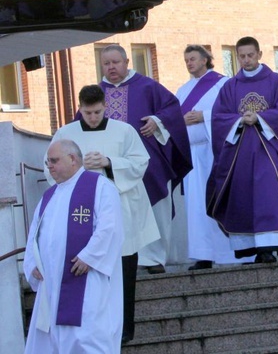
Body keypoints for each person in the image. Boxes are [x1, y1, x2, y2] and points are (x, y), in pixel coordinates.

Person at [45, 85, 158, 344]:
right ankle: (88, 330)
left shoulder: (124, 130)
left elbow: (141, 163)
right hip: (80, 213)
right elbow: (51, 166)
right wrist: (79, 166)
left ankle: (125, 330)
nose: (93, 118)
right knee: (86, 274)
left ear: (105, 106)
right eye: (87, 113)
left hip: (121, 210)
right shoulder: (65, 134)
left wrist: (109, 163)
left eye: (97, 112)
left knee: (123, 272)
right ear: (80, 108)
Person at [207, 36, 278, 263]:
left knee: (269, 197)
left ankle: (276, 245)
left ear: (259, 54)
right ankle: (256, 248)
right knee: (245, 198)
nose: (246, 60)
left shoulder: (275, 81)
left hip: (270, 154)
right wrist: (240, 121)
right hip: (241, 156)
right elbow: (218, 118)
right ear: (236, 56)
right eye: (242, 56)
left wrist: (259, 117)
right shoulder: (230, 86)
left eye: (251, 55)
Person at [99, 44, 192, 274]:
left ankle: (153, 259)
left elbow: (172, 109)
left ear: (126, 62)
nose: (111, 67)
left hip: (150, 163)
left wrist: (157, 121)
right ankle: (122, 258)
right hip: (112, 166)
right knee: (118, 212)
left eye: (115, 62)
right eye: (106, 63)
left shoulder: (147, 86)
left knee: (154, 209)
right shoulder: (97, 93)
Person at [25, 139, 123, 353]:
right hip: (51, 286)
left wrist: (90, 256)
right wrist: (32, 263)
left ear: (72, 159)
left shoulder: (99, 186)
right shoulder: (48, 196)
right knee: (50, 341)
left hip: (85, 281)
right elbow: (34, 235)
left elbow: (111, 226)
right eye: (47, 162)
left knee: (87, 338)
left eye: (54, 160)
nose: (49, 166)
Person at [176, 45, 235, 270]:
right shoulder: (182, 90)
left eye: (192, 59)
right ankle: (203, 254)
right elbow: (175, 118)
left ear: (205, 60)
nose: (189, 63)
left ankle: (228, 252)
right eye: (186, 60)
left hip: (215, 152)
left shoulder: (223, 84)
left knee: (218, 200)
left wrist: (204, 116)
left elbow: (232, 113)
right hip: (192, 154)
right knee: (197, 205)